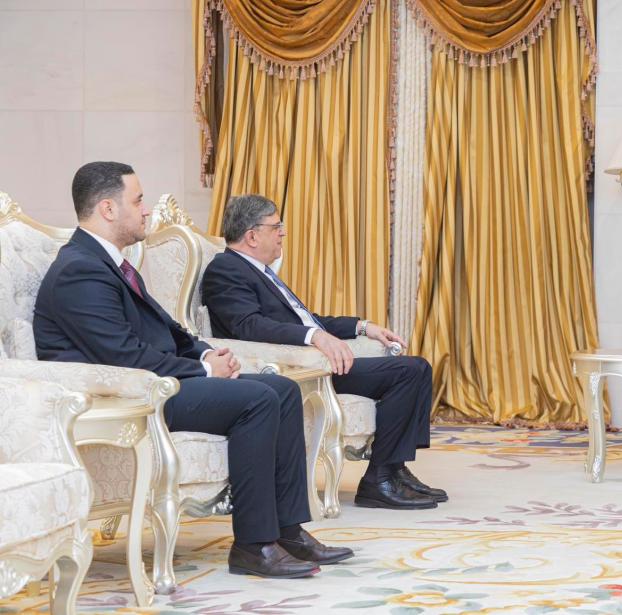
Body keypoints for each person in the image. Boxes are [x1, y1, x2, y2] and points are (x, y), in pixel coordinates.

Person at [34, 162, 353, 578]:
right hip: (127, 398)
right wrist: (202, 371)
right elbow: (122, 356)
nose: (146, 210)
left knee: (283, 389)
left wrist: (206, 354)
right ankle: (254, 546)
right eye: (138, 200)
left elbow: (168, 330)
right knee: (258, 399)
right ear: (108, 209)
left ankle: (287, 531)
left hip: (158, 381)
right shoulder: (79, 269)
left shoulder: (109, 263)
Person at [200, 194, 443, 511]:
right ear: (252, 236)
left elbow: (307, 319)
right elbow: (248, 326)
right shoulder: (226, 269)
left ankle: (394, 469)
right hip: (301, 370)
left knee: (415, 369)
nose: (283, 233)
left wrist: (361, 327)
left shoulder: (260, 271)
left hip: (316, 361)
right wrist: (314, 337)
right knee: (410, 371)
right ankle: (379, 479)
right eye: (276, 227)